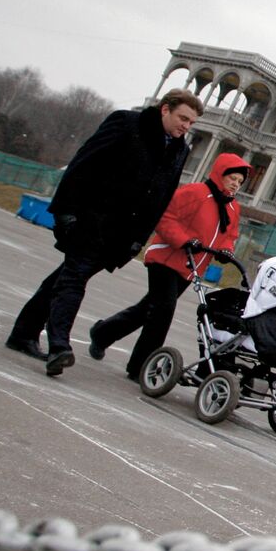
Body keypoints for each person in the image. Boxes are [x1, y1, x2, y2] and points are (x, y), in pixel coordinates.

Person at [4, 89, 202, 377]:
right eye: (182, 118)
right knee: (73, 279)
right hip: (89, 220)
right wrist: (66, 212)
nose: (185, 126)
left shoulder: (179, 149)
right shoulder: (126, 124)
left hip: (121, 236)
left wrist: (138, 239)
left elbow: (162, 196)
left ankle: (23, 333)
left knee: (65, 278)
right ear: (164, 109)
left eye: (191, 123)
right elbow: (83, 164)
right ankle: (59, 346)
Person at [89, 152, 250, 381]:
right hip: (166, 259)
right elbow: (165, 217)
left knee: (148, 309)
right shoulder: (195, 193)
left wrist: (226, 251)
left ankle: (103, 333)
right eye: (232, 177)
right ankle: (141, 366)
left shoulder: (233, 208)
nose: (235, 184)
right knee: (162, 312)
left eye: (240, 182)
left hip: (191, 267)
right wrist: (184, 240)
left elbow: (229, 236)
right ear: (220, 173)